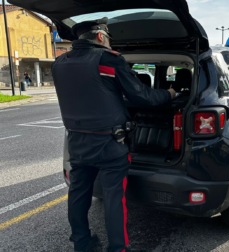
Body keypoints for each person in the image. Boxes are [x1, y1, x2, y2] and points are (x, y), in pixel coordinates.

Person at [51, 17, 176, 252]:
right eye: (108, 37)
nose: (109, 42)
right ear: (100, 36)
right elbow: (141, 96)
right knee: (113, 198)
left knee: (78, 194)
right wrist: (169, 94)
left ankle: (82, 243)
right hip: (109, 144)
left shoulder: (59, 64)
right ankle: (118, 248)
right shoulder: (108, 61)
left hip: (77, 143)